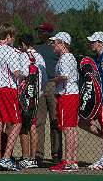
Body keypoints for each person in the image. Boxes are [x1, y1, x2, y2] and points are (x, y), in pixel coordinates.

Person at [0, 23, 24, 171]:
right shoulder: (10, 51)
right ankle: (6, 158)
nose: (13, 39)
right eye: (12, 37)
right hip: (8, 90)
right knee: (17, 123)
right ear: (8, 37)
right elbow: (16, 73)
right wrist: (26, 73)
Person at [79, 31, 103, 170]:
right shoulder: (97, 58)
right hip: (96, 100)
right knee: (82, 122)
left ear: (100, 43)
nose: (91, 43)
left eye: (93, 41)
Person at [48, 32, 79, 172]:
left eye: (55, 42)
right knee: (71, 128)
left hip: (67, 96)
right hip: (70, 95)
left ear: (62, 44)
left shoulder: (66, 57)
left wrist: (53, 80)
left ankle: (67, 161)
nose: (53, 45)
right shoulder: (67, 57)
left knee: (68, 128)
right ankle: (72, 161)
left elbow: (65, 76)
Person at [17, 34, 47, 169]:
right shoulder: (39, 56)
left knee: (23, 126)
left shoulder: (23, 56)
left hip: (24, 95)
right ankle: (34, 158)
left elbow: (23, 73)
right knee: (33, 125)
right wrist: (39, 91)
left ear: (23, 44)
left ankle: (25, 157)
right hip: (36, 95)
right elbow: (44, 76)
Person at [34, 23, 62, 165]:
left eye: (42, 31)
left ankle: (56, 153)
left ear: (49, 33)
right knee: (39, 121)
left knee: (55, 120)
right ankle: (38, 154)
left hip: (53, 84)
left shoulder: (55, 48)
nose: (39, 34)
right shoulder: (35, 48)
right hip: (40, 85)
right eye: (38, 31)